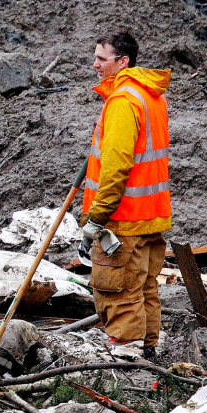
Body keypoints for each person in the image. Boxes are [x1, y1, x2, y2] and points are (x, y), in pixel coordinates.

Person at [81, 32, 172, 361]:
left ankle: (127, 356)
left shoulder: (122, 102)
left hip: (123, 218)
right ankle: (148, 352)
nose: (95, 65)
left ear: (123, 62)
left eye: (101, 59)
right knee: (144, 288)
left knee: (117, 289)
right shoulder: (150, 96)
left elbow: (116, 167)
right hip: (150, 216)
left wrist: (96, 218)